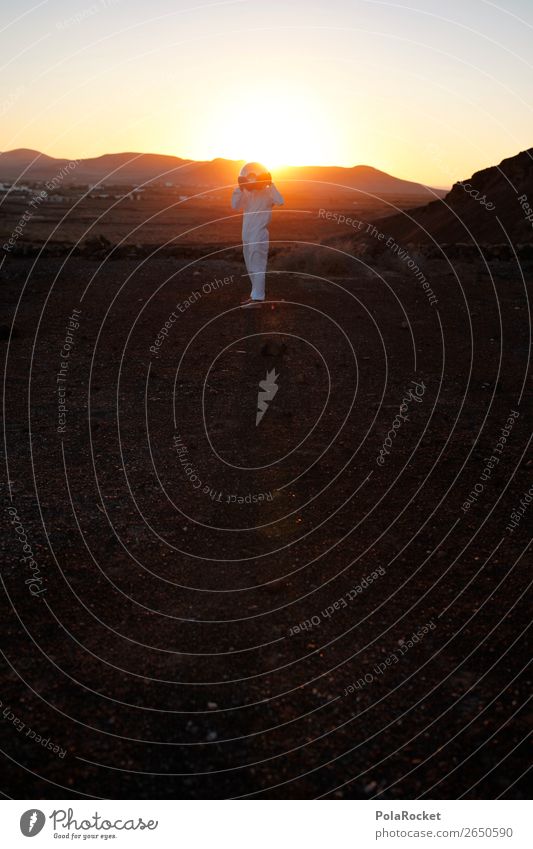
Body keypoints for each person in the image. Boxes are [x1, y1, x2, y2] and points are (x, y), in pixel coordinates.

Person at [231, 162, 284, 307]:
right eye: (250, 177)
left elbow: (281, 201)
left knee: (258, 264)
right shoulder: (246, 193)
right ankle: (255, 296)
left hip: (259, 234)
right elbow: (235, 205)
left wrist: (270, 184)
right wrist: (240, 188)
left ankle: (258, 299)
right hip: (246, 234)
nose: (252, 180)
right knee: (250, 265)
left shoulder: (268, 193)